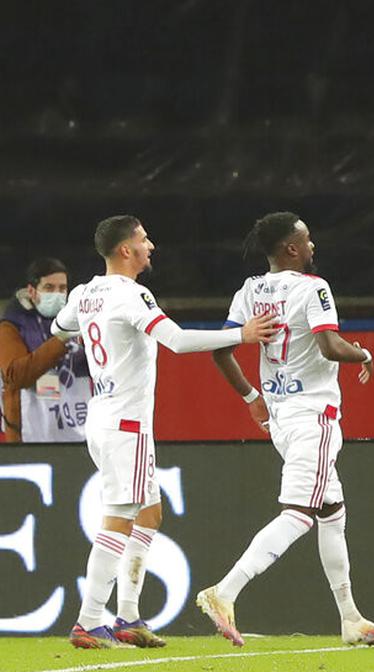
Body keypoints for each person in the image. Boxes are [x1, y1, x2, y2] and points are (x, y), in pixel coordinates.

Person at [51, 215, 277, 649]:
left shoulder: (84, 293)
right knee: (119, 517)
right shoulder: (132, 294)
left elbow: (59, 328)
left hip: (102, 415)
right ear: (125, 250)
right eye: (143, 239)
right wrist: (241, 335)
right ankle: (88, 620)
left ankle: (128, 617)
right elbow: (176, 340)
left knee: (149, 513)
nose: (150, 245)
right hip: (126, 423)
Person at [197, 212, 374, 648]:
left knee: (332, 511)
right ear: (291, 248)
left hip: (280, 417)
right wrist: (363, 354)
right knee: (299, 514)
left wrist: (251, 397)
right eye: (306, 240)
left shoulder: (249, 290)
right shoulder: (313, 288)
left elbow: (221, 350)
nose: (312, 246)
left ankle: (351, 619)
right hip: (313, 415)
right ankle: (224, 591)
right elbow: (330, 345)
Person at [1, 258, 91, 442]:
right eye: (49, 288)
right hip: (31, 434)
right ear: (32, 291)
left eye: (62, 288)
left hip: (79, 430)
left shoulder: (80, 323)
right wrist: (61, 340)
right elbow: (16, 376)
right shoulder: (11, 326)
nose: (57, 294)